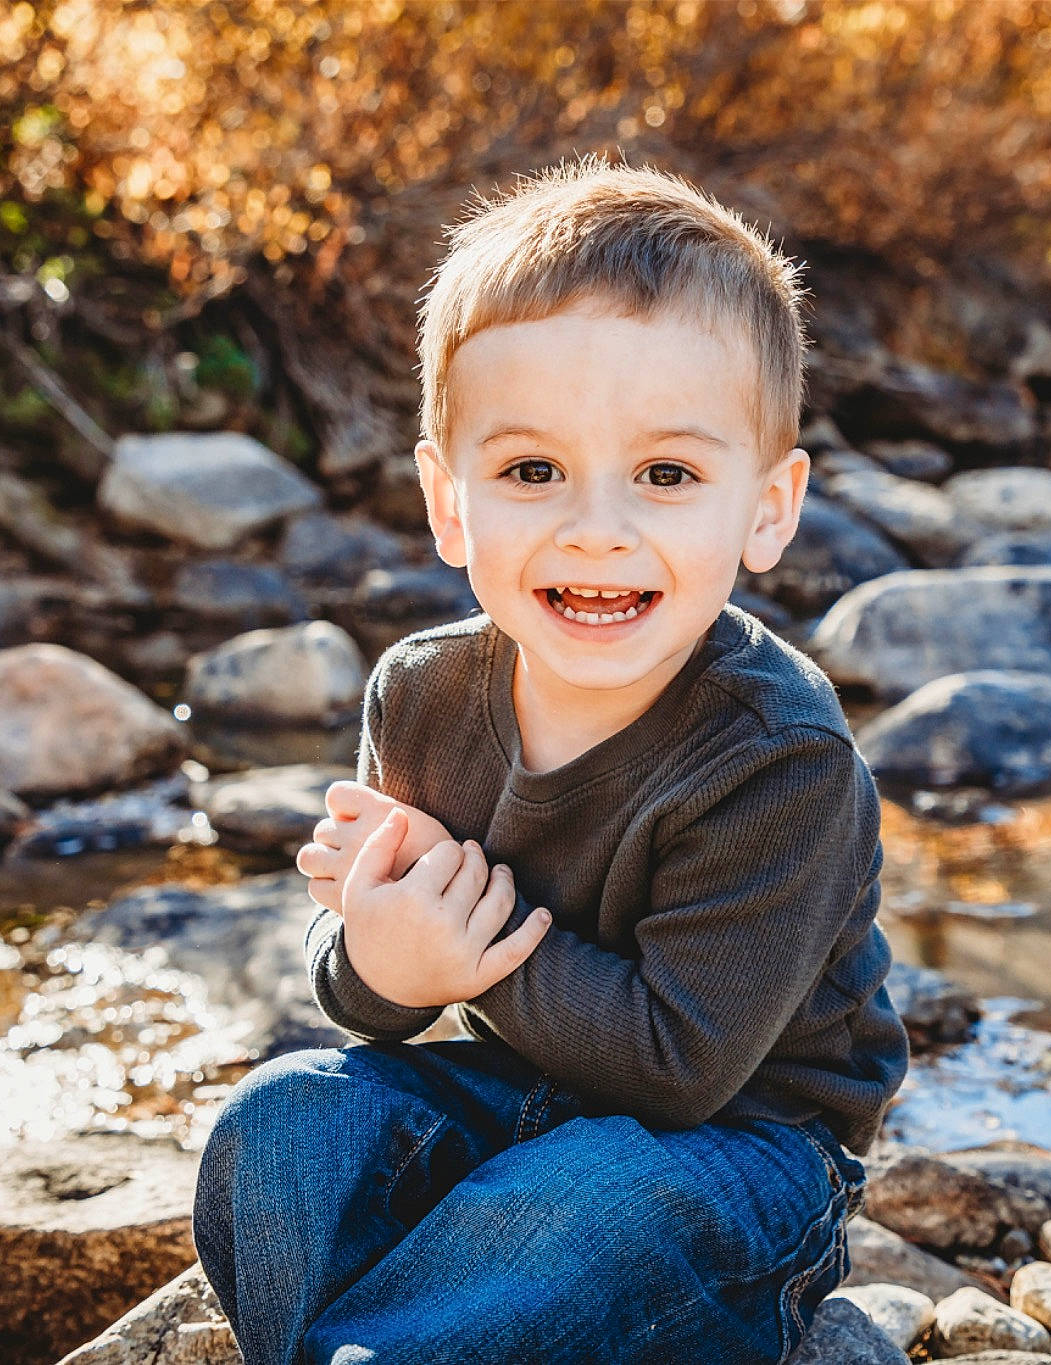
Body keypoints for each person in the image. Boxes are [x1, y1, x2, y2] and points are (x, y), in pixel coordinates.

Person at [192, 157, 910, 1365]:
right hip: (514, 1100)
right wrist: (377, 947)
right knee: (285, 1124)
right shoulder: (419, 693)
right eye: (532, 471)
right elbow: (373, 995)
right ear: (449, 501)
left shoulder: (779, 757)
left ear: (767, 509)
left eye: (667, 475)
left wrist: (473, 943)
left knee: (583, 1209)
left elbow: (677, 1068)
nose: (596, 528)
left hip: (741, 1153)